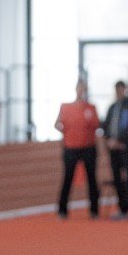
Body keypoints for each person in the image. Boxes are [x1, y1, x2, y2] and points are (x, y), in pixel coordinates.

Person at [55, 78, 100, 219]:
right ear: (76, 89)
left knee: (92, 179)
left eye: (84, 88)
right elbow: (57, 124)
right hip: (70, 148)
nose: (81, 91)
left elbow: (96, 125)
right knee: (67, 178)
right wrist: (67, 133)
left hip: (88, 148)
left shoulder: (91, 108)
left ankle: (94, 211)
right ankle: (62, 210)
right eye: (80, 88)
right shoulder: (66, 107)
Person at [102, 80, 128, 219]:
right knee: (117, 178)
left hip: (126, 148)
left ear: (125, 89)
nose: (119, 92)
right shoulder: (112, 107)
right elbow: (106, 126)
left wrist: (120, 142)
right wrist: (109, 140)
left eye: (121, 89)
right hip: (113, 149)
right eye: (117, 90)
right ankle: (122, 208)